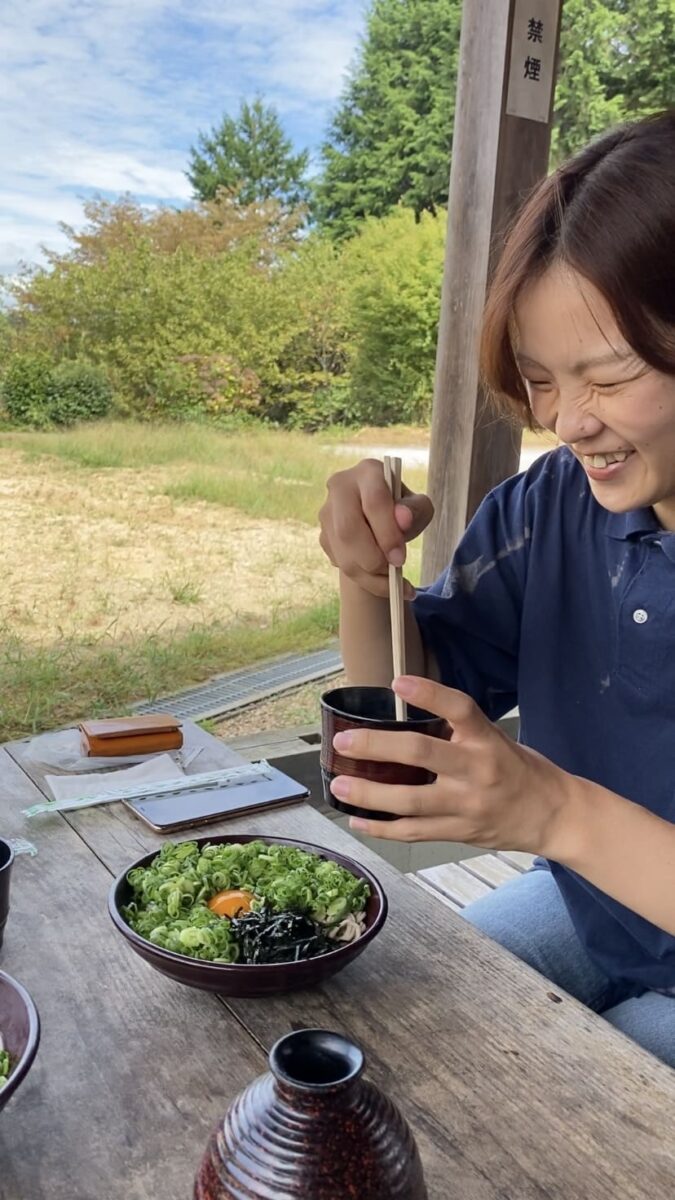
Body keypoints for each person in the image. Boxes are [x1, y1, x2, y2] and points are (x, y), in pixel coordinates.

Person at [318, 111, 675, 1067]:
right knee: (383, 1033)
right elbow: (412, 711)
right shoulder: (551, 506)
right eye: (539, 381)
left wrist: (554, 813)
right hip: (596, 906)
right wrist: (365, 578)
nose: (569, 424)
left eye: (608, 375)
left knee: (576, 1100)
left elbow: (553, 810)